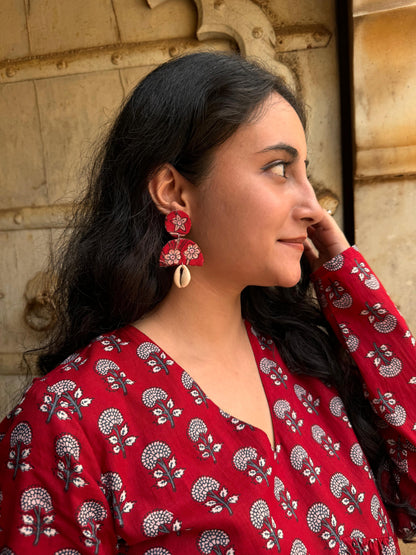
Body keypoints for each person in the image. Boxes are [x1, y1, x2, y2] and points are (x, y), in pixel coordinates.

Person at [0, 51, 415, 555]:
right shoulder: (68, 420)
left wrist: (351, 287)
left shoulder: (309, 368)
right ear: (174, 191)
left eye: (306, 171)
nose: (312, 205)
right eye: (280, 168)